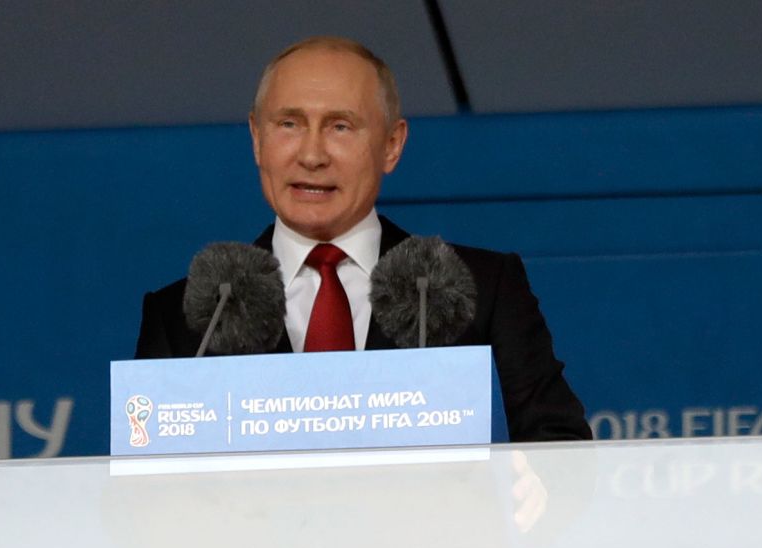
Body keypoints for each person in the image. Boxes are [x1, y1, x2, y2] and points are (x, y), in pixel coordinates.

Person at [135, 36, 591, 442]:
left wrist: (522, 495)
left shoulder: (480, 288)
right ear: (257, 138)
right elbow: (140, 496)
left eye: (340, 126)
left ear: (392, 145)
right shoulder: (187, 317)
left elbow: (561, 452)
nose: (312, 155)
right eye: (289, 124)